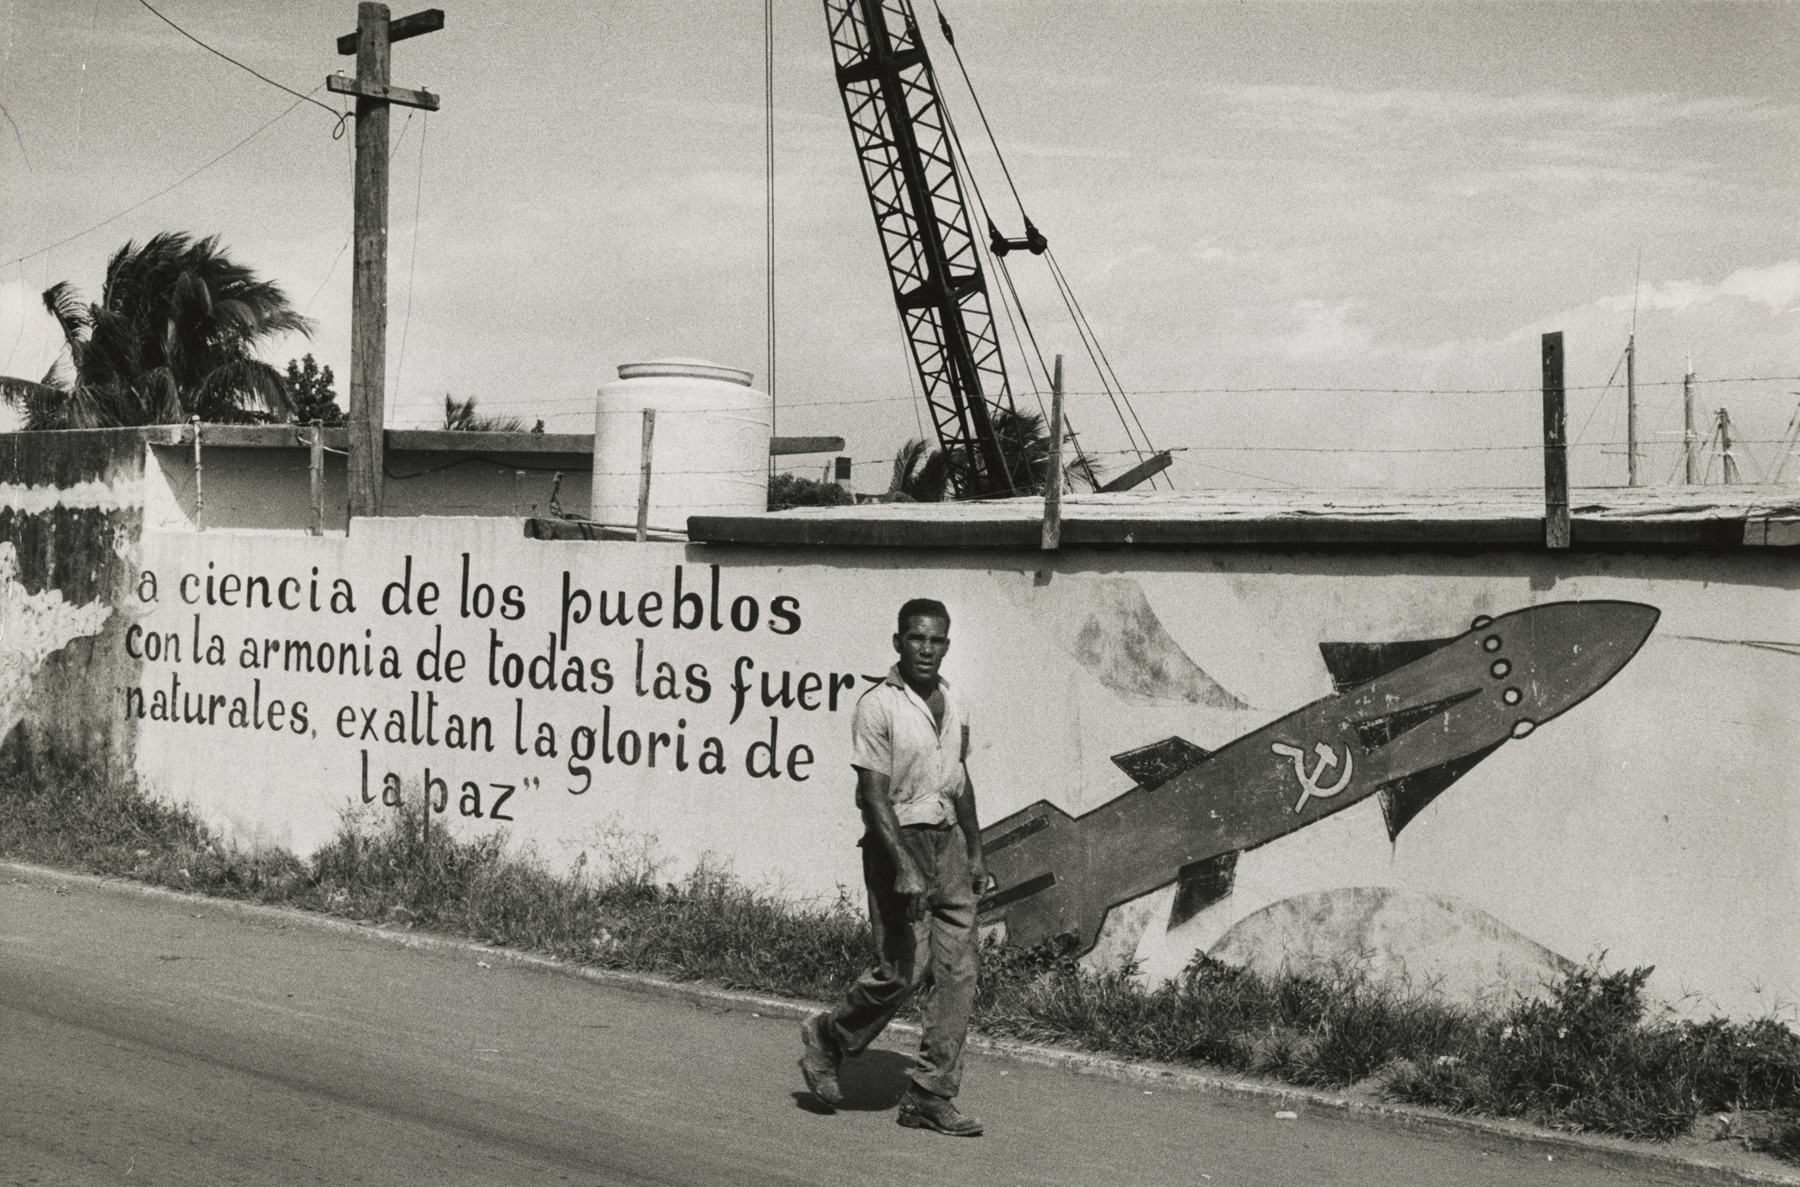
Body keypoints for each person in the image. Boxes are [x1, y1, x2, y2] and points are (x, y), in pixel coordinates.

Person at [798, 597, 988, 1137]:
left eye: (936, 640)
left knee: (959, 973)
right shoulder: (877, 705)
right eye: (916, 638)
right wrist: (903, 864)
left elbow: (959, 778)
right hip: (897, 842)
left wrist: (976, 850)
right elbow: (872, 796)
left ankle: (930, 1094)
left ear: (946, 645)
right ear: (898, 642)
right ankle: (828, 1038)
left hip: (948, 842)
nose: (926, 648)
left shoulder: (953, 701)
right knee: (901, 974)